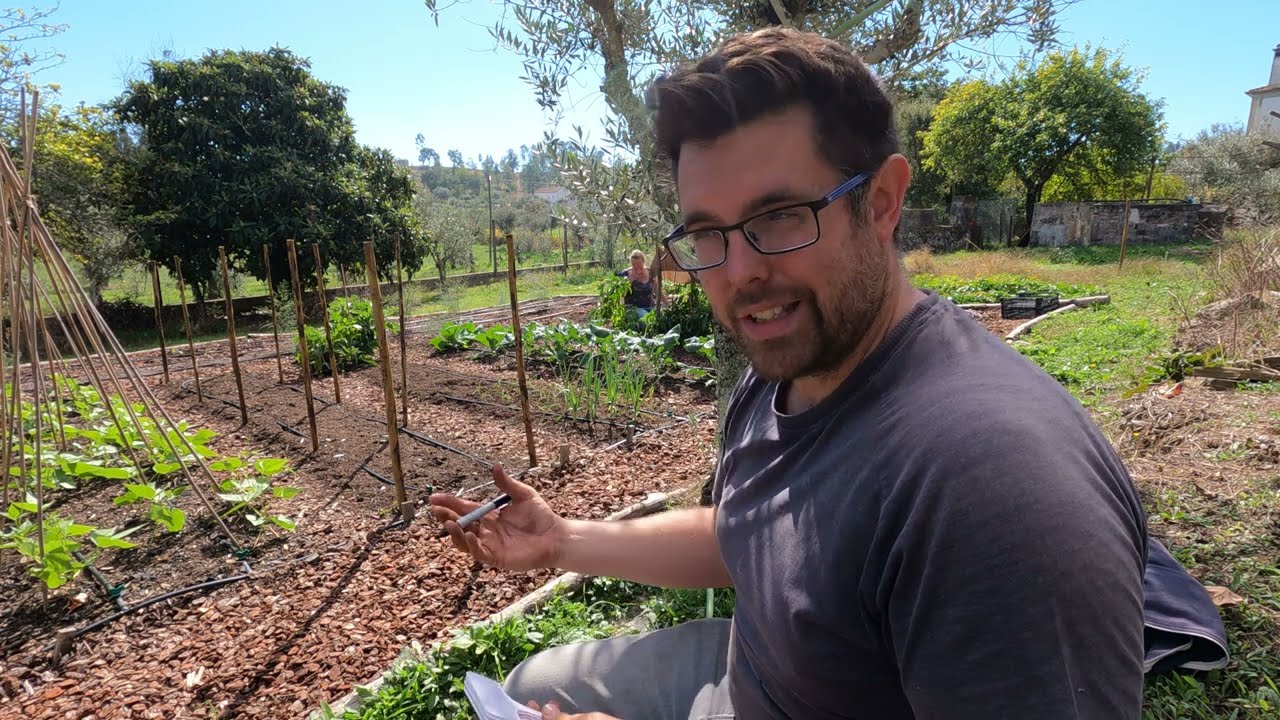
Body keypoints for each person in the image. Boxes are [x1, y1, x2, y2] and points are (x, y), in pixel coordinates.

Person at [430, 26, 1148, 720]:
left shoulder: (988, 493)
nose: (741, 273)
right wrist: (562, 540)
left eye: (779, 215)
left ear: (883, 202)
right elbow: (750, 536)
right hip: (751, 675)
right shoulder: (787, 366)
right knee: (529, 681)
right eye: (708, 232)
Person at [616, 249, 656, 319]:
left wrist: (667, 304)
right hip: (634, 308)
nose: (636, 267)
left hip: (651, 306)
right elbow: (622, 294)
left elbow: (658, 289)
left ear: (643, 262)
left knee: (659, 319)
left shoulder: (650, 272)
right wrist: (631, 280)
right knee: (646, 321)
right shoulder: (626, 274)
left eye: (639, 264)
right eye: (634, 264)